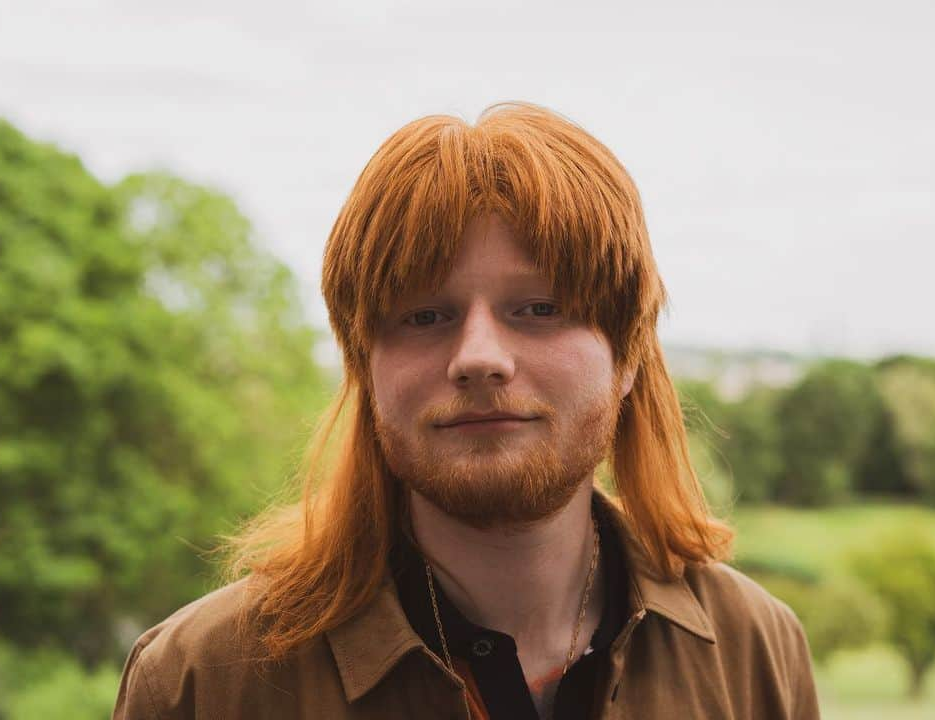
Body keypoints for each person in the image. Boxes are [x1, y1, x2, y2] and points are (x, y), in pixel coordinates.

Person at [113, 102, 820, 720]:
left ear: (628, 354)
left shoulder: (754, 651)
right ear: (364, 366)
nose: (479, 356)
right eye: (424, 314)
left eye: (539, 308)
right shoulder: (199, 684)